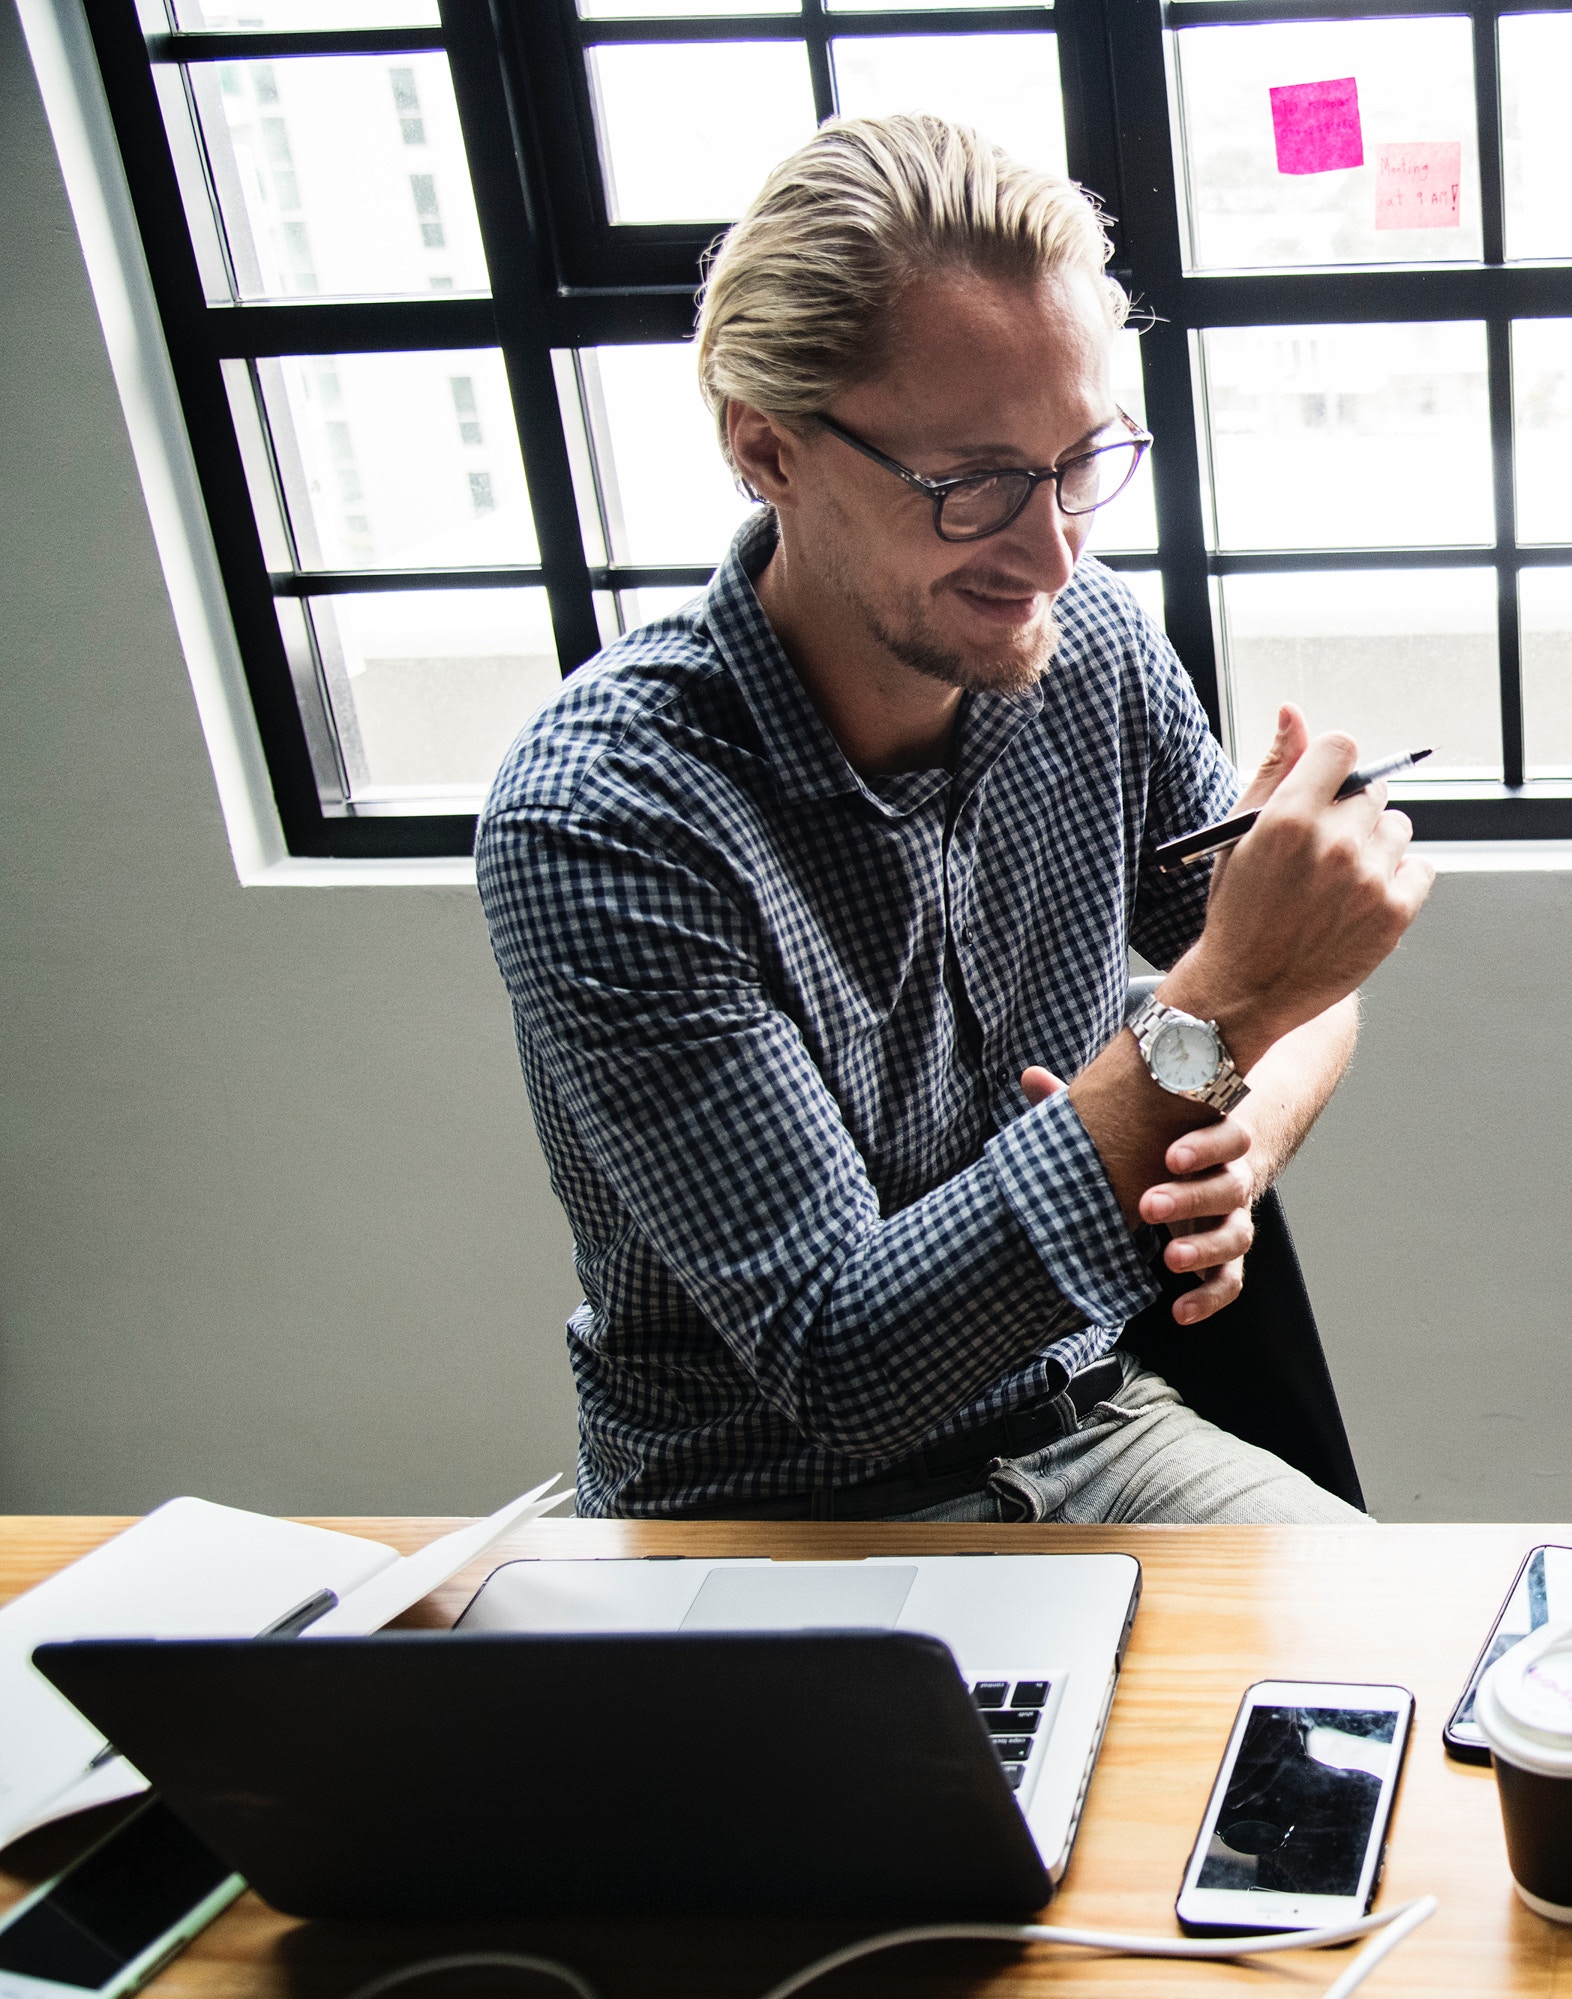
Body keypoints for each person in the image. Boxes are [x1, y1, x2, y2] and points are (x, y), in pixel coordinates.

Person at [476, 114, 1432, 1521]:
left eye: (1083, 462)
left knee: (1403, 1673)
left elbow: (1286, 990)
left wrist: (1241, 1135)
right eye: (973, 483)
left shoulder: (1087, 644)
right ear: (769, 451)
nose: (1049, 551)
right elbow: (846, 1365)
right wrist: (1218, 1016)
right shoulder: (606, 821)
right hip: (759, 1508)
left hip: (1090, 1422)